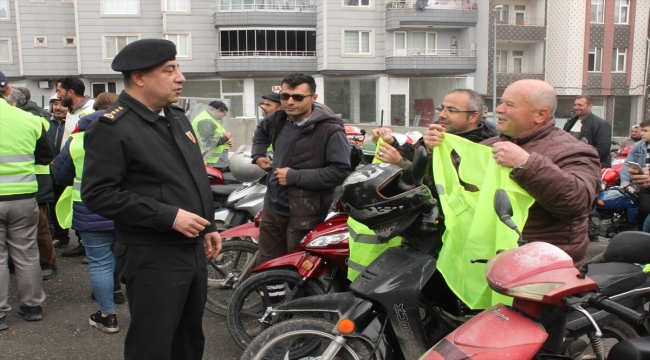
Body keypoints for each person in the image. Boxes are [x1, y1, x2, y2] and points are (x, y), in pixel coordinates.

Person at [81, 39, 221, 359]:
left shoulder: (175, 116)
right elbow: (98, 194)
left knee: (188, 338)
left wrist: (209, 224)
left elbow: (193, 175)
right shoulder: (112, 127)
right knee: (153, 343)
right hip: (153, 254)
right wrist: (168, 216)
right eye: (169, 70)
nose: (180, 77)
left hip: (191, 247)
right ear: (140, 77)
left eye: (178, 68)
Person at [427, 80, 600, 266]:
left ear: (540, 115)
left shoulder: (574, 150)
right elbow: (452, 191)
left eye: (510, 104)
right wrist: (433, 153)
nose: (499, 109)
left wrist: (525, 164)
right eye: (501, 102)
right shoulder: (488, 146)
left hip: (544, 269)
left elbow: (576, 202)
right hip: (490, 261)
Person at [251, 73, 351, 266]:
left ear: (313, 98)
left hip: (305, 211)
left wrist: (294, 176)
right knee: (268, 263)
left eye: (297, 97)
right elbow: (261, 132)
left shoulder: (330, 129)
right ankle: (274, 297)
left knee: (297, 268)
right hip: (273, 204)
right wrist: (258, 155)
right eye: (285, 96)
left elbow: (341, 172)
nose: (290, 102)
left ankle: (296, 298)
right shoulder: (278, 119)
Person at [52, 91, 122, 334]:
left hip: (89, 207)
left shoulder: (78, 139)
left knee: (100, 262)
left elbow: (60, 175)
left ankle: (108, 316)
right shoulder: (130, 134)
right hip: (126, 208)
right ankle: (139, 309)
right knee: (129, 257)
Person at [0, 71, 55, 330]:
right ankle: (32, 305)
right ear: (7, 90)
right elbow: (45, 156)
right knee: (27, 252)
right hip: (24, 196)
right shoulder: (29, 119)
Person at [6, 88, 58, 280]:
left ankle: (47, 262)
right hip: (30, 179)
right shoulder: (34, 119)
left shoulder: (35, 119)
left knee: (40, 226)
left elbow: (46, 153)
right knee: (32, 230)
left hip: (36, 178)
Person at [56, 76, 94, 258]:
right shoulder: (71, 111)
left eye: (59, 91)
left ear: (70, 92)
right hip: (71, 164)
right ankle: (82, 242)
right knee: (75, 205)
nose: (58, 95)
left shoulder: (92, 109)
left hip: (86, 167)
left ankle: (91, 246)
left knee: (88, 206)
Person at [47, 92, 72, 249]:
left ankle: (82, 239)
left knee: (73, 204)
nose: (58, 107)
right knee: (54, 204)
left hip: (69, 170)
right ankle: (61, 236)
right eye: (55, 104)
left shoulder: (73, 122)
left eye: (61, 104)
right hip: (50, 170)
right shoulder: (46, 123)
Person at [562, 95, 612, 168]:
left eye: (580, 105)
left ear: (590, 106)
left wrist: (584, 161)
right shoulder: (570, 123)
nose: (576, 107)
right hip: (570, 165)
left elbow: (602, 149)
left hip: (593, 167)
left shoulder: (601, 124)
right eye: (575, 104)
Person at [619, 120, 650, 230]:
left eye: (645, 131)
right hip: (642, 185)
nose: (641, 133)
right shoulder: (638, 145)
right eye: (641, 130)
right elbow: (627, 165)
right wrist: (626, 184)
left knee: (645, 209)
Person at [191, 100, 233, 165]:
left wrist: (226, 140)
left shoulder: (210, 119)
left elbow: (215, 135)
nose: (222, 118)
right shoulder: (206, 121)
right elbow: (207, 142)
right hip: (203, 160)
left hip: (206, 159)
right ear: (217, 110)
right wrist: (225, 138)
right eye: (222, 115)